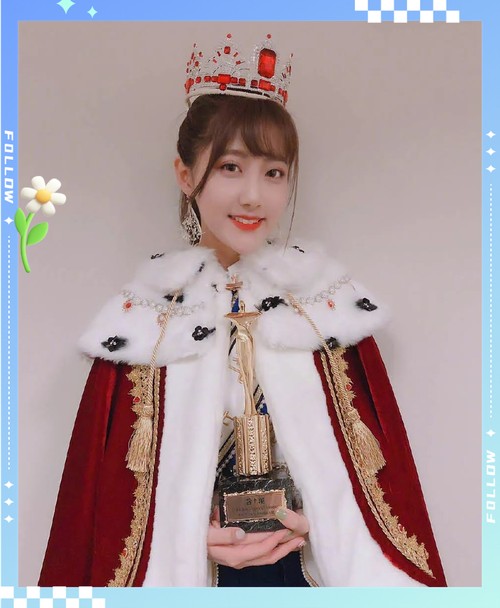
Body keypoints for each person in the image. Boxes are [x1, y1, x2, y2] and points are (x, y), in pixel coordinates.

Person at [38, 33, 447, 588]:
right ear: (186, 176)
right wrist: (189, 539)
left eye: (273, 172)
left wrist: (322, 527)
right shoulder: (145, 323)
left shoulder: (323, 310)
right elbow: (107, 512)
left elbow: (375, 495)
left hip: (304, 577)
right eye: (231, 167)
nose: (254, 196)